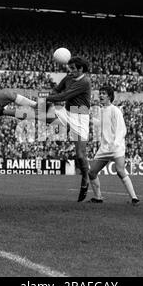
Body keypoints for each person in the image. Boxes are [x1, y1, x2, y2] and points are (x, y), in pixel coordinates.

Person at [44, 56, 91, 202]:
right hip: (67, 111)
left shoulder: (84, 81)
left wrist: (47, 98)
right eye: (69, 69)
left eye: (72, 69)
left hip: (80, 117)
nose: (69, 72)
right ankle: (61, 129)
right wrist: (49, 96)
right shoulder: (69, 77)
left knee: (80, 156)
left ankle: (85, 179)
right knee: (44, 116)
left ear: (81, 69)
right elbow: (58, 89)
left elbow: (65, 95)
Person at [87, 86, 139, 204]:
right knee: (92, 172)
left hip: (116, 147)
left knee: (120, 171)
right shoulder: (100, 111)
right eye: (100, 93)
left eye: (104, 93)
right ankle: (98, 197)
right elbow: (99, 124)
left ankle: (134, 198)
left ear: (109, 96)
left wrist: (116, 143)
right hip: (105, 147)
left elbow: (122, 129)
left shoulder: (115, 110)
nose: (101, 95)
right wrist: (89, 120)